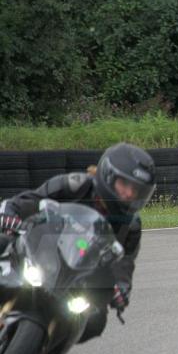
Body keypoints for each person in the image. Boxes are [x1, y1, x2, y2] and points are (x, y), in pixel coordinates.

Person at [0, 142, 156, 342]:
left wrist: (121, 290)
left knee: (96, 320)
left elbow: (124, 265)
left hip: (77, 278)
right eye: (124, 185)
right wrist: (10, 216)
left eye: (135, 190)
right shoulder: (75, 185)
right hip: (38, 253)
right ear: (108, 176)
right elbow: (24, 201)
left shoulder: (131, 225)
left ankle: (42, 350)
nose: (128, 194)